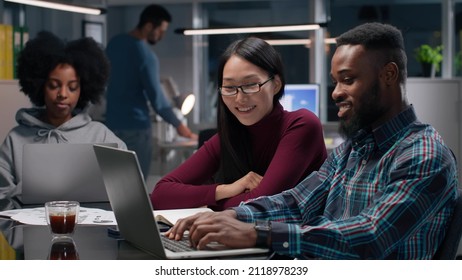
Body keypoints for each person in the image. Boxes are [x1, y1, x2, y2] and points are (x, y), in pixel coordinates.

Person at [166, 22, 459, 259]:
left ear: (388, 75)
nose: (335, 93)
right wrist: (232, 217)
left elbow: (370, 237)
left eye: (348, 79)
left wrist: (259, 234)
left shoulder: (423, 154)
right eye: (335, 81)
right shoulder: (352, 150)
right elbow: (297, 203)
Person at [151, 37, 327, 211]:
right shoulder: (229, 136)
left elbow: (262, 204)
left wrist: (204, 203)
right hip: (241, 236)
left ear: (276, 84)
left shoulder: (302, 124)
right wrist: (225, 190)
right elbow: (160, 194)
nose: (240, 98)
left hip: (297, 237)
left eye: (250, 85)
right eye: (229, 87)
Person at [0, 31, 126, 209]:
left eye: (72, 87)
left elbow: (126, 190)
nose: (63, 94)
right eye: (53, 85)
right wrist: (30, 189)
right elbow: (2, 199)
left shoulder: (101, 137)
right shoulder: (15, 139)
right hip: (26, 233)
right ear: (39, 85)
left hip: (91, 232)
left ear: (84, 89)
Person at [105, 4, 197, 179]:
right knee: (136, 181)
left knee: (114, 181)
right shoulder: (146, 56)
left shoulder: (114, 44)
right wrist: (180, 126)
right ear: (148, 26)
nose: (161, 36)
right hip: (136, 129)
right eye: (161, 31)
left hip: (111, 126)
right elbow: (158, 101)